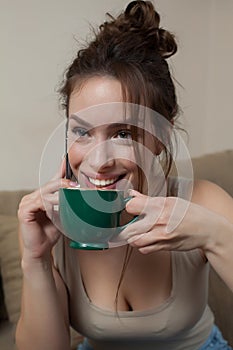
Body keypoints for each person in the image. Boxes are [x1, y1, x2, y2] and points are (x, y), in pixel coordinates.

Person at [15, 1, 233, 350]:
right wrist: (36, 260)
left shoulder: (202, 202)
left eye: (123, 134)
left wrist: (215, 236)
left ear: (161, 137)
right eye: (82, 132)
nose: (98, 161)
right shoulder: (58, 222)